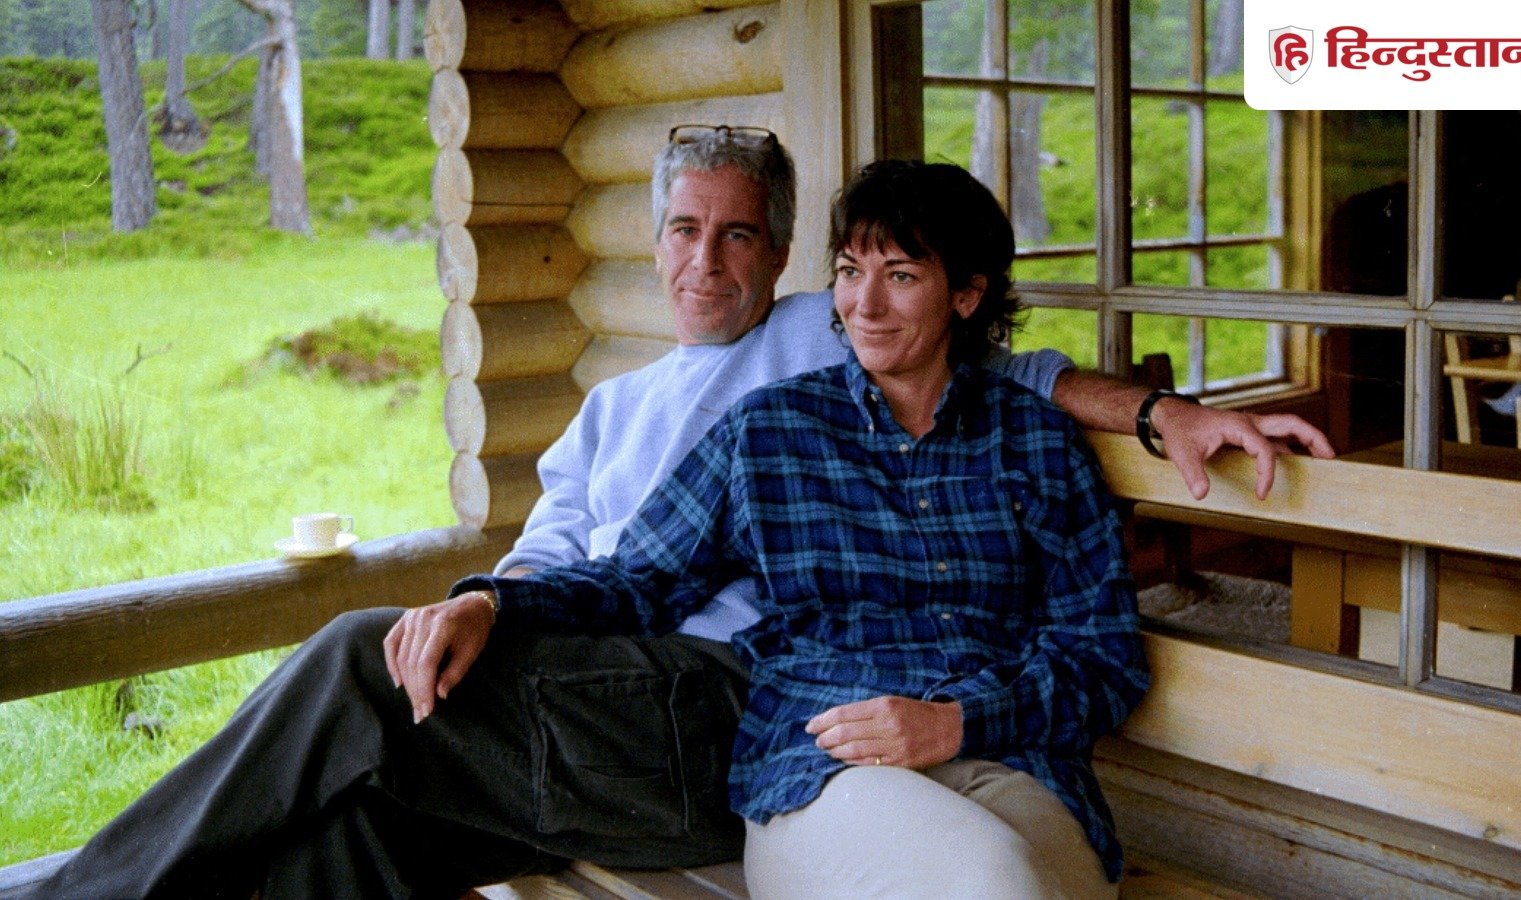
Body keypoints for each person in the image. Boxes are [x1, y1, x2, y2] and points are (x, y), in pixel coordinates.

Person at [31, 128, 1326, 898]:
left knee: (358, 689)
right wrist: (490, 600)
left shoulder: (839, 348)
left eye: (740, 236)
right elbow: (613, 570)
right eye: (683, 231)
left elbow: (1028, 396)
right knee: (378, 784)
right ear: (652, 241)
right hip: (716, 714)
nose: (709, 261)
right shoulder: (673, 416)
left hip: (744, 704)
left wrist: (1161, 415)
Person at [444, 157, 1147, 897]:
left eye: (901, 276)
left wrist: (959, 723)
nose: (865, 305)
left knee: (1048, 884)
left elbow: (1104, 657)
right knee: (1000, 883)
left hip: (1012, 758)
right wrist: (492, 601)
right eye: (849, 271)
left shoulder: (1036, 442)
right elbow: (635, 581)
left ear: (967, 296)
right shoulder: (769, 431)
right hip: (828, 764)